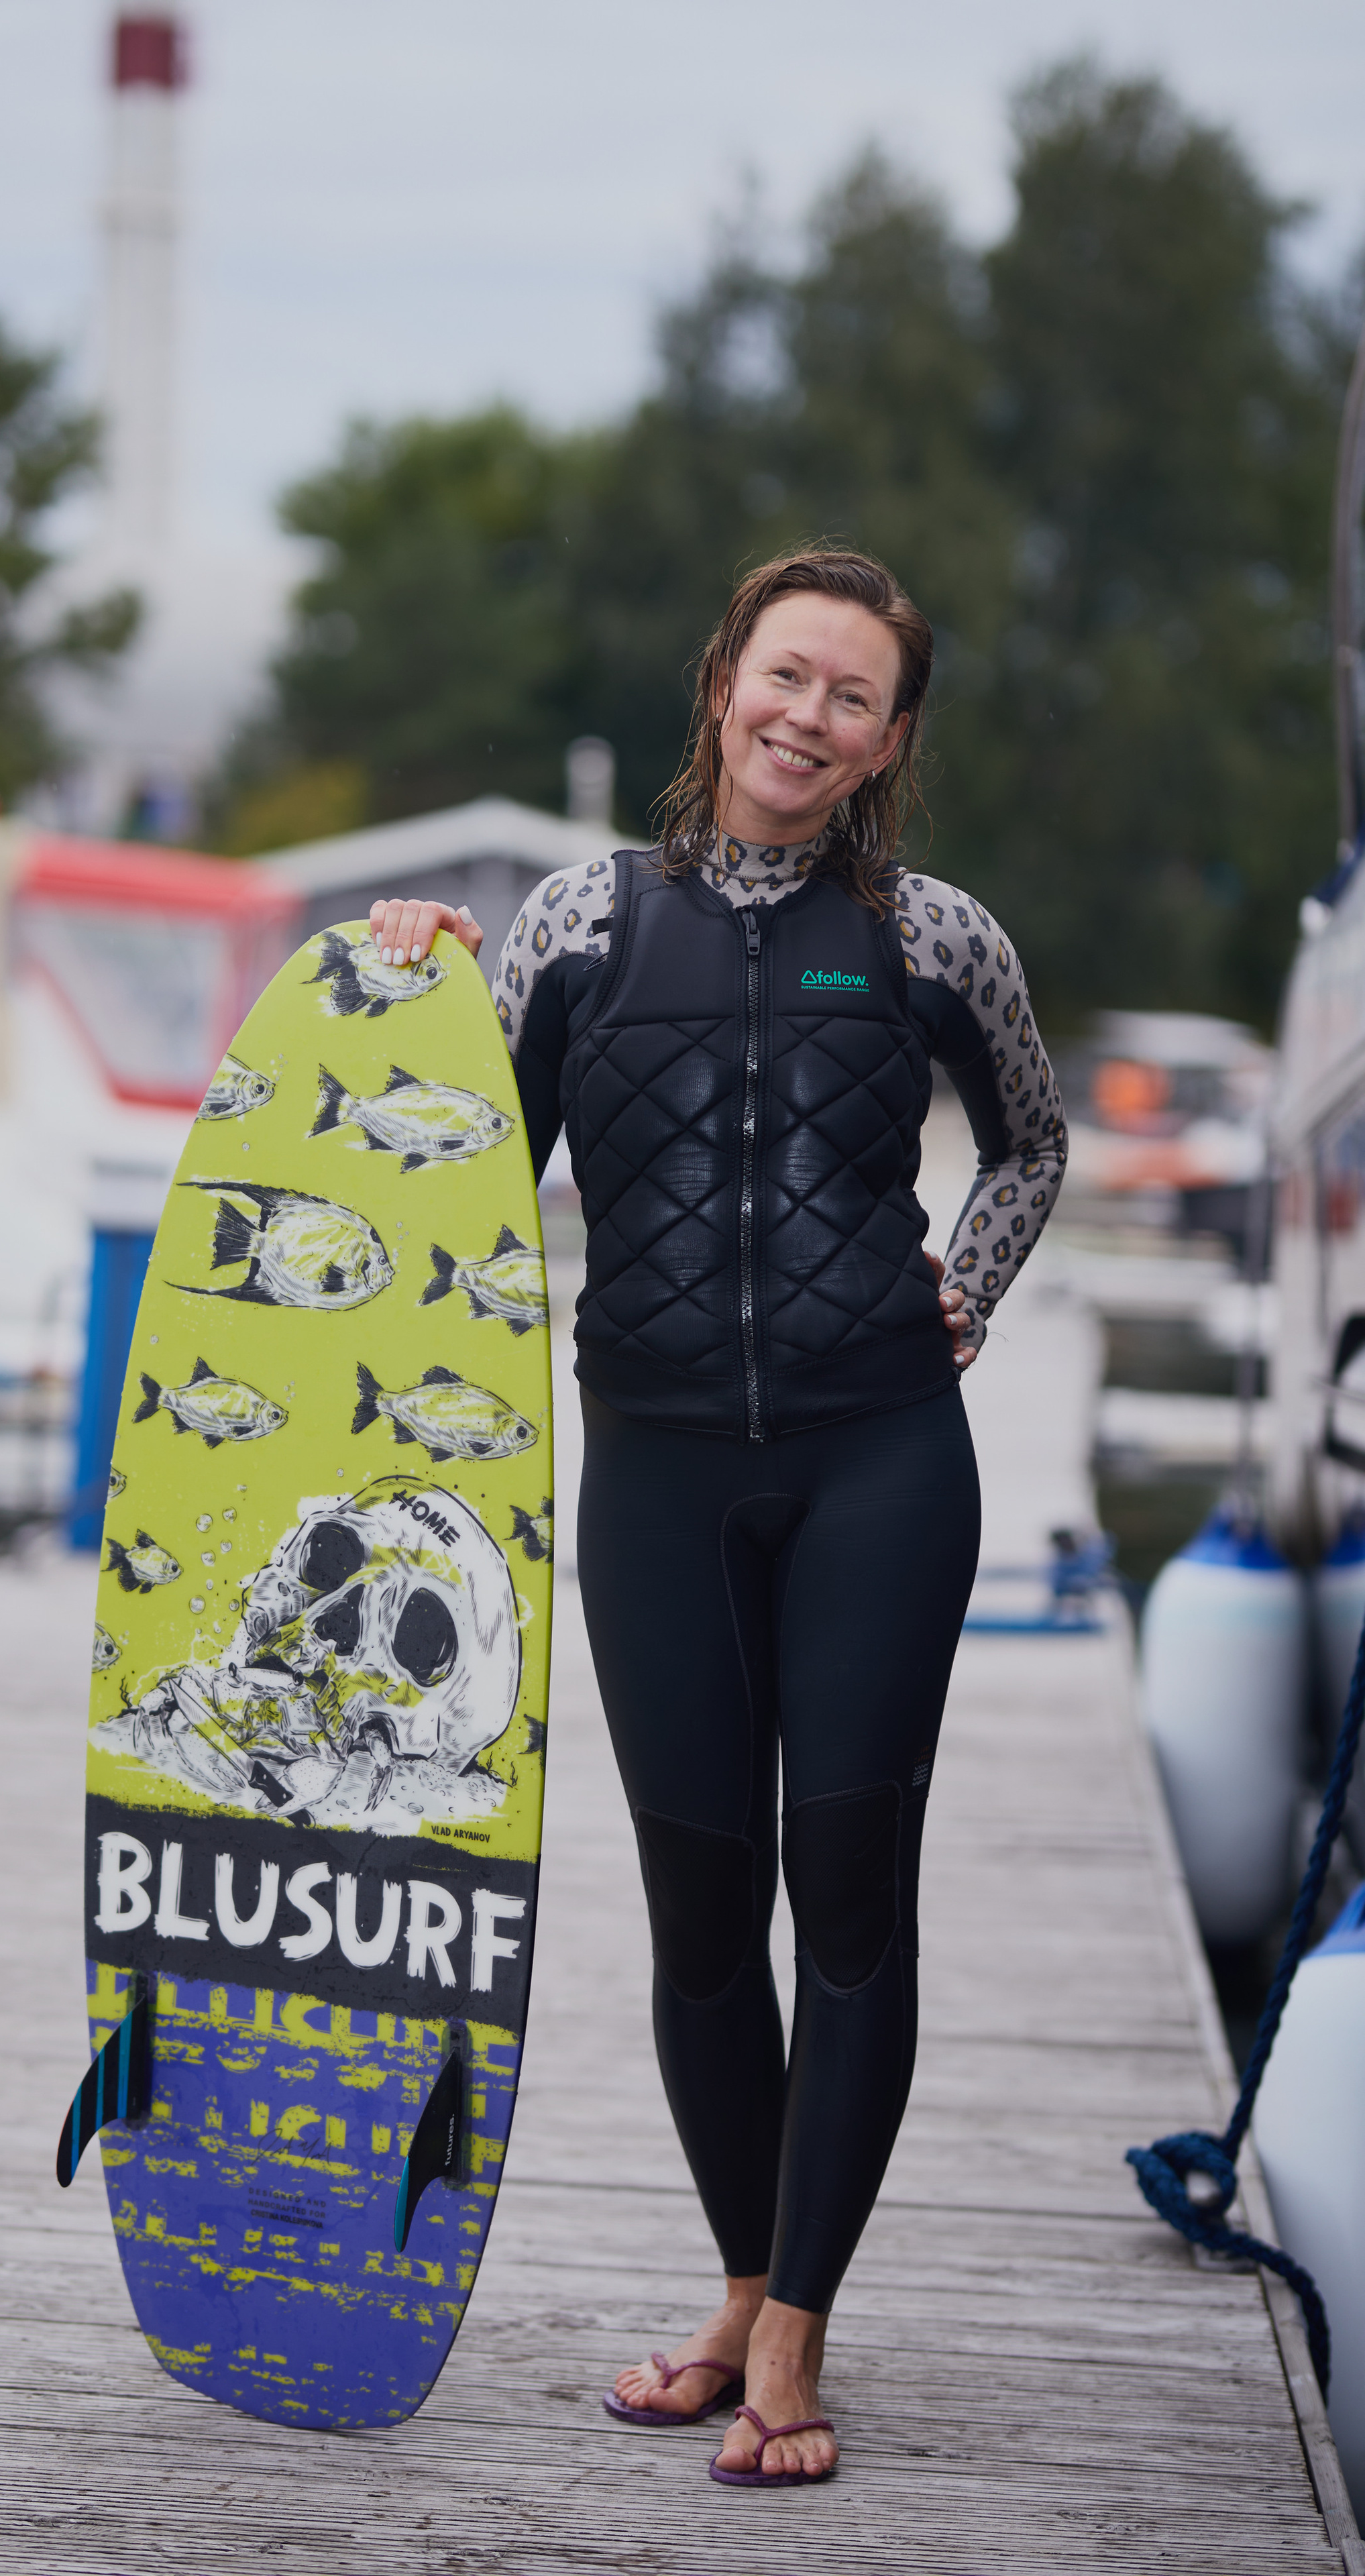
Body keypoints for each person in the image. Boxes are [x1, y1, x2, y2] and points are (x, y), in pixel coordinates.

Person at [368, 545, 1066, 2490]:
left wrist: (974, 1284)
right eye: (787, 677)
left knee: (846, 1909)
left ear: (888, 739)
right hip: (658, 1473)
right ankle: (743, 2286)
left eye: (853, 695)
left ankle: (798, 2341)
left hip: (878, 1465)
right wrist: (407, 979)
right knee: (698, 1921)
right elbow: (464, 1163)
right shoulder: (579, 923)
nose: (808, 717)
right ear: (725, 686)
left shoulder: (940, 939)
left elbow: (1031, 1135)